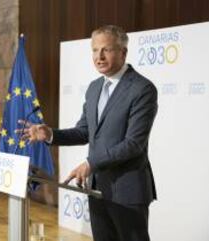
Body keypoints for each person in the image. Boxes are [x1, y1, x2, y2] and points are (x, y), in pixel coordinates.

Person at [21, 25, 158, 241]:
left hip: (128, 191)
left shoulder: (142, 89)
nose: (99, 57)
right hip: (97, 188)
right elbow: (84, 131)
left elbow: (134, 144)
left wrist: (90, 163)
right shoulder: (95, 87)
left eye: (106, 50)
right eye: (95, 50)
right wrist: (50, 135)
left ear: (123, 52)